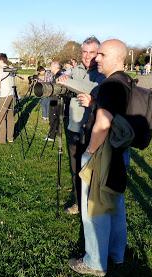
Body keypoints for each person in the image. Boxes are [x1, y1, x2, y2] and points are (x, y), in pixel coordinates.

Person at [68, 39, 130, 277]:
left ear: (115, 57)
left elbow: (102, 124)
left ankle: (94, 262)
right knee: (115, 204)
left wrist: (89, 153)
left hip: (103, 153)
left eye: (101, 54)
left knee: (94, 208)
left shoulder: (109, 86)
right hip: (120, 151)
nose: (97, 59)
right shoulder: (126, 82)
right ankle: (117, 254)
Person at [58, 36, 105, 215]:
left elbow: (88, 88)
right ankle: (79, 203)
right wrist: (64, 75)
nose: (87, 56)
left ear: (98, 53)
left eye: (92, 52)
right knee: (75, 167)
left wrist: (66, 81)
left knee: (92, 170)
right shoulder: (75, 69)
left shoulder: (102, 73)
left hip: (92, 129)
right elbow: (68, 78)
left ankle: (93, 204)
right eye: (84, 52)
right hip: (73, 127)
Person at [0, 53, 15, 144]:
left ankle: (1, 139)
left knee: (1, 117)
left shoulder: (1, 70)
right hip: (12, 95)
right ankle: (10, 137)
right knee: (10, 117)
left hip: (4, 96)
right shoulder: (11, 69)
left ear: (1, 60)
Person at [44, 61, 64, 142]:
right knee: (55, 116)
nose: (50, 68)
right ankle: (55, 132)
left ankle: (51, 136)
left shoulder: (59, 76)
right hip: (55, 99)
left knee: (52, 117)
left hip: (55, 99)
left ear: (56, 67)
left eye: (51, 66)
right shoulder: (57, 75)